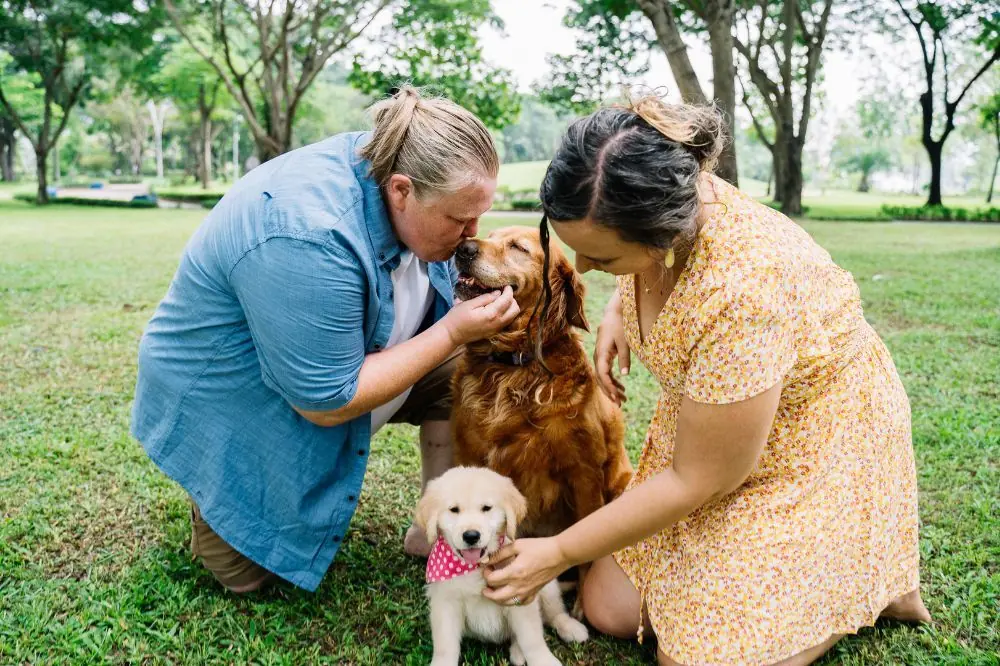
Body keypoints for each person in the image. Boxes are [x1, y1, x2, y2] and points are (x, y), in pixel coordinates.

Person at [481, 94, 931, 666]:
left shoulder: (746, 290)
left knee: (698, 659)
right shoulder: (662, 181)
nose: (586, 271)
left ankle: (858, 583)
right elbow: (633, 258)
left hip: (815, 438)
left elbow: (698, 479)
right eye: (577, 250)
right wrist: (623, 309)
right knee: (609, 608)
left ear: (662, 238)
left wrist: (557, 551)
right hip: (716, 421)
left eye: (604, 260)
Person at [131, 87, 519, 594]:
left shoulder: (399, 163)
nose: (472, 234)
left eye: (480, 214)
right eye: (458, 219)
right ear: (401, 191)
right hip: (239, 396)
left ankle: (441, 527)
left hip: (347, 360)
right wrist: (451, 332)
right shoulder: (307, 234)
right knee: (253, 579)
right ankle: (224, 484)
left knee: (468, 373)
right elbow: (326, 402)